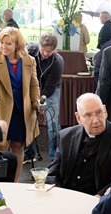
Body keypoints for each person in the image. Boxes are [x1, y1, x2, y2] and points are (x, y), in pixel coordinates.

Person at [46, 93, 111, 196]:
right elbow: (52, 173)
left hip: (100, 202)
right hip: (66, 198)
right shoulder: (66, 136)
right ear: (78, 118)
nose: (95, 120)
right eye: (88, 115)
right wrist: (59, 194)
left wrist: (101, 196)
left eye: (99, 113)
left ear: (105, 111)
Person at [0, 27, 40, 182]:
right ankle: (1, 182)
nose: (4, 47)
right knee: (1, 147)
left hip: (22, 111)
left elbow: (34, 84)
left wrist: (36, 102)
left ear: (17, 45)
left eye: (8, 43)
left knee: (18, 146)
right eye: (2, 42)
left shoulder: (29, 60)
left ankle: (15, 182)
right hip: (1, 109)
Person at [27, 33, 64, 161]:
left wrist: (40, 102)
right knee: (28, 120)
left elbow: (49, 88)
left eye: (49, 51)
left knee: (53, 123)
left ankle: (55, 157)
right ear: (39, 45)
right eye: (43, 50)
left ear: (54, 49)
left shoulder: (58, 62)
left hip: (50, 91)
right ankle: (27, 153)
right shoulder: (29, 51)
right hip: (30, 89)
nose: (46, 53)